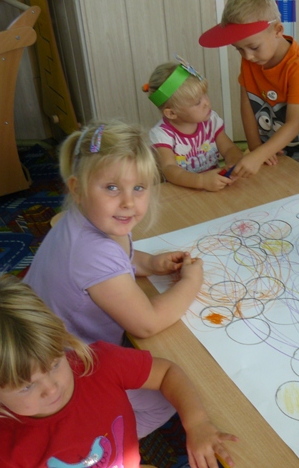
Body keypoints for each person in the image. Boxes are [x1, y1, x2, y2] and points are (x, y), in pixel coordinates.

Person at [24, 120, 205, 437]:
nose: (128, 202)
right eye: (111, 187)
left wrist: (149, 263)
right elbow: (146, 324)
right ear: (77, 188)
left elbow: (118, 258)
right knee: (165, 401)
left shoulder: (85, 217)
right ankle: (98, 439)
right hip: (64, 369)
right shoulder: (92, 252)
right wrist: (191, 282)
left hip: (38, 343)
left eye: (139, 188)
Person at [0, 275, 237, 468]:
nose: (51, 389)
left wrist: (196, 423)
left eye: (54, 365)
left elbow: (166, 373)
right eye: (27, 386)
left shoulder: (98, 363)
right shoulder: (3, 447)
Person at [198, 0, 299, 190]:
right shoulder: (251, 60)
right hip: (275, 150)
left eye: (253, 47)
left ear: (278, 30)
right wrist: (256, 148)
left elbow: (295, 123)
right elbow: (247, 107)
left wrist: (259, 154)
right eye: (239, 49)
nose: (247, 56)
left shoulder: (298, 66)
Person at [144, 58, 243, 191]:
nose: (206, 103)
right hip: (181, 192)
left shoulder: (210, 121)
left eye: (204, 94)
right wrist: (201, 181)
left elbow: (229, 148)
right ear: (172, 113)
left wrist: (234, 163)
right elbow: (169, 169)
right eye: (197, 102)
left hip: (212, 187)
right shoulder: (162, 135)